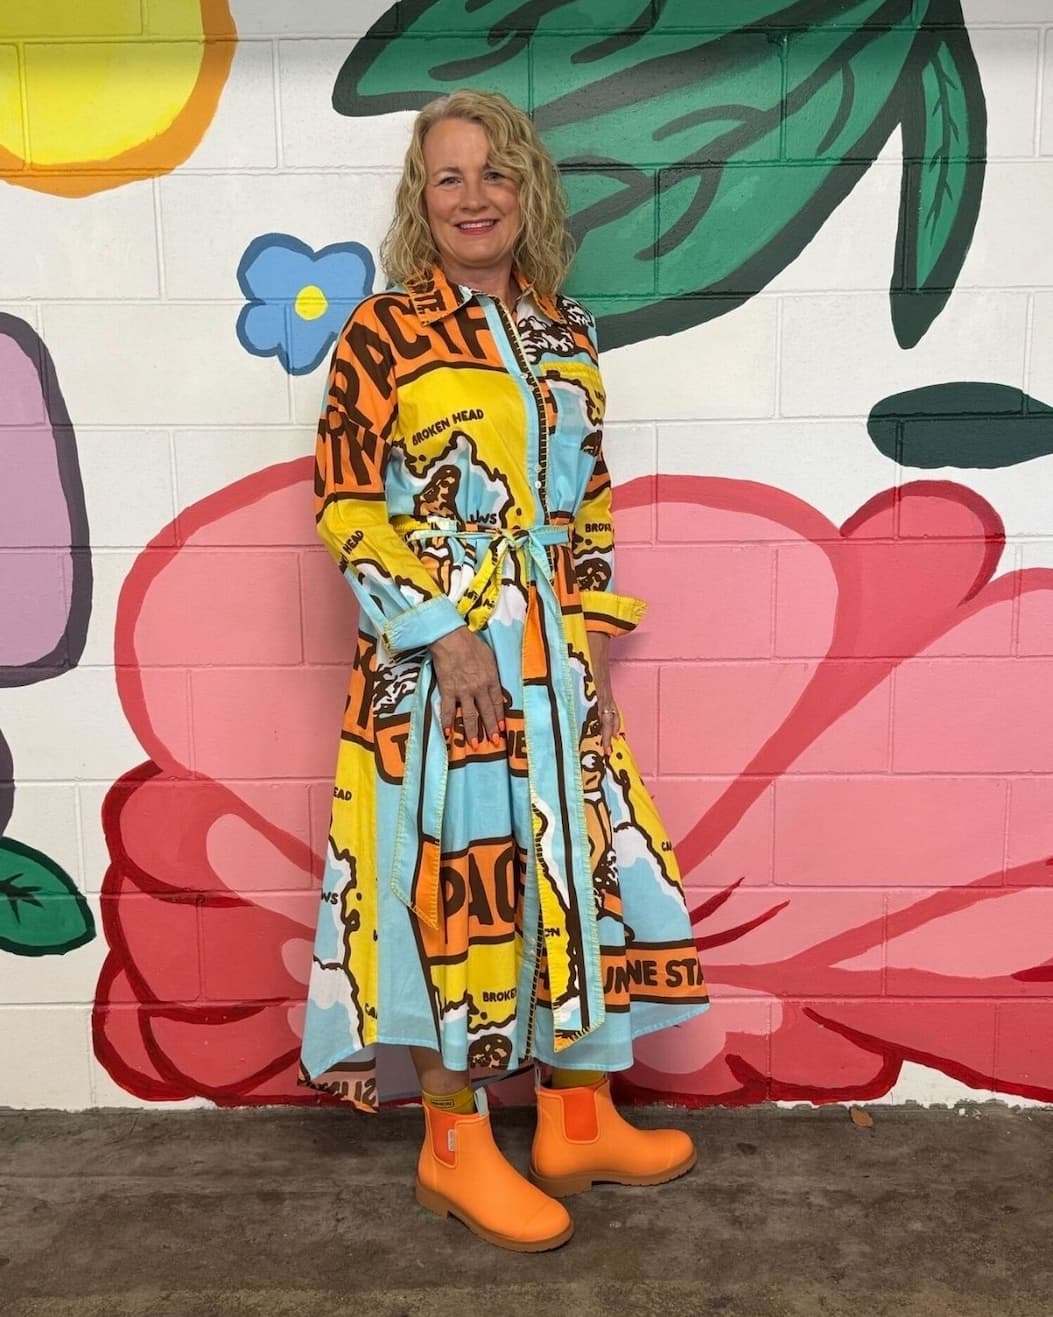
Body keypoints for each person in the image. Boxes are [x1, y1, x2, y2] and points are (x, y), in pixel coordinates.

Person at [298, 88, 710, 1252]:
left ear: (528, 191)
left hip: (553, 658)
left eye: (496, 174)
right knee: (454, 886)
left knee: (576, 869)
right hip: (439, 664)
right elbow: (343, 504)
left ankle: (578, 1116)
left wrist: (581, 630)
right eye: (449, 177)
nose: (475, 196)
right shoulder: (382, 334)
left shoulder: (566, 330)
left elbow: (588, 498)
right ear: (418, 204)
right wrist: (441, 630)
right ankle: (456, 1146)